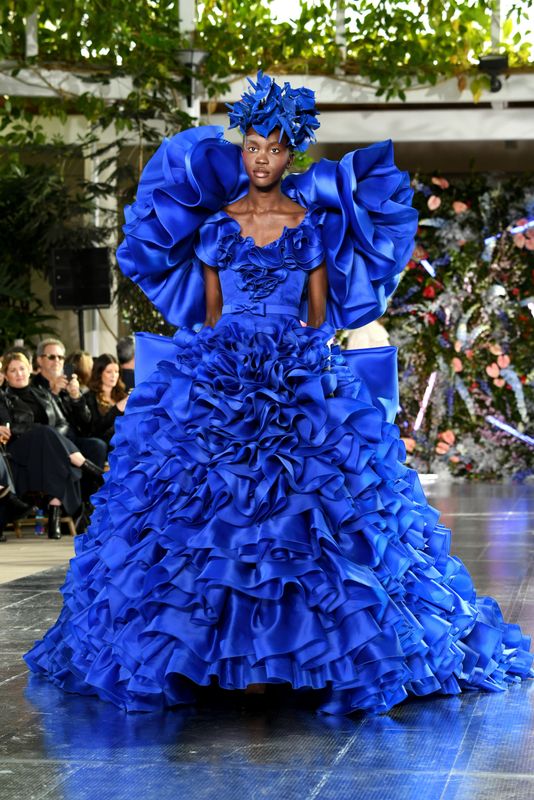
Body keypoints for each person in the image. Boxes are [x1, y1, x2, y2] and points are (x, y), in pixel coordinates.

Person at [25, 72, 532, 714]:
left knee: (308, 523)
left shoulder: (313, 227)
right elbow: (206, 319)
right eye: (251, 147)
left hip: (295, 378)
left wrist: (299, 371)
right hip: (219, 379)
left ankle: (302, 656)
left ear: (291, 154)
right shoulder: (214, 228)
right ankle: (209, 657)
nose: (261, 159)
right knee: (210, 523)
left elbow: (319, 322)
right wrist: (218, 370)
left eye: (273, 148)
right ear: (243, 150)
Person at [0, 352, 102, 539]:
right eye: (13, 370)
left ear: (30, 370)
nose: (19, 373)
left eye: (22, 368)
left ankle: (55, 513)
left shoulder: (43, 394)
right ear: (5, 375)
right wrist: (44, 432)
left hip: (48, 450)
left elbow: (62, 423)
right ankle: (86, 468)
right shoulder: (3, 398)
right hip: (19, 451)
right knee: (43, 432)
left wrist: (55, 438)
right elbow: (10, 429)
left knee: (50, 444)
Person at [33, 339, 107, 471]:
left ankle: (92, 490)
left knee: (97, 445)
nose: (57, 361)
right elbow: (42, 422)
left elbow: (86, 426)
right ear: (39, 360)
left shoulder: (67, 382)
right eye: (51, 357)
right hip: (51, 442)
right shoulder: (33, 387)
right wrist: (53, 394)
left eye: (60, 357)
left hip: (73, 439)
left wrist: (76, 398)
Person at [84, 354, 128, 447]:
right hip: (106, 444)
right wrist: (117, 409)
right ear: (99, 373)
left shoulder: (122, 395)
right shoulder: (90, 397)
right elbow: (96, 429)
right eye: (109, 372)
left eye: (117, 371)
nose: (114, 375)